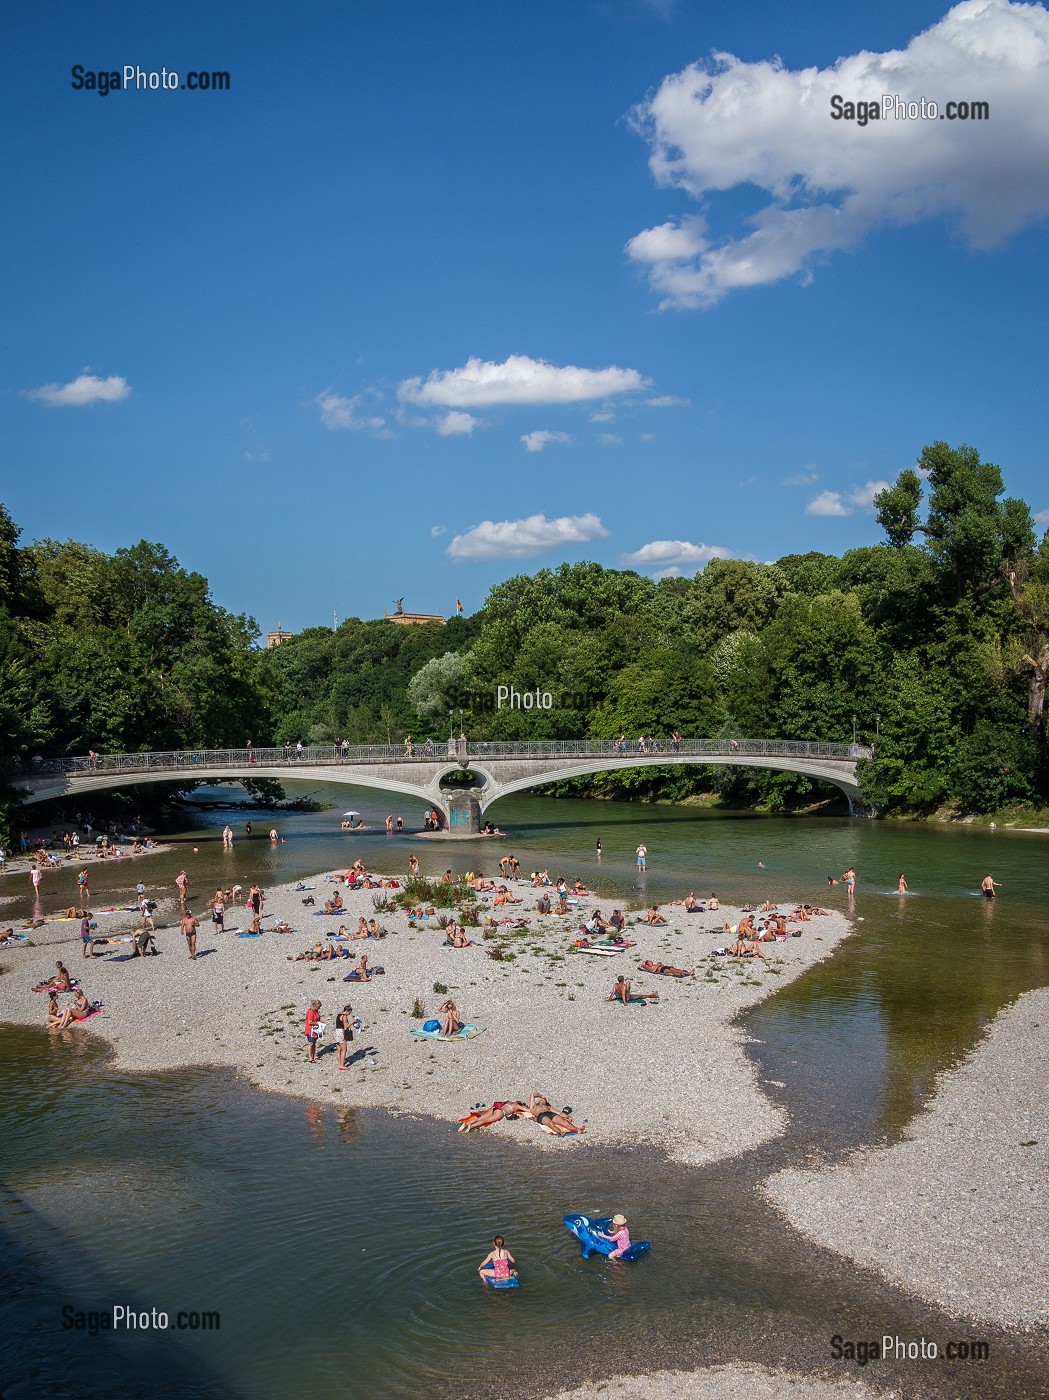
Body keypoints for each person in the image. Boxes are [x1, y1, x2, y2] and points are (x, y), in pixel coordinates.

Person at [334, 1003, 355, 1069]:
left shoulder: (339, 1014)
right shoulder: (344, 1016)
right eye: (349, 1012)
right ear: (347, 1011)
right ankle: (341, 1065)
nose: (349, 1014)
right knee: (344, 1050)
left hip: (336, 1032)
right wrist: (352, 1022)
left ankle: (339, 1062)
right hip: (341, 1033)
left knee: (339, 1049)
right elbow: (345, 1027)